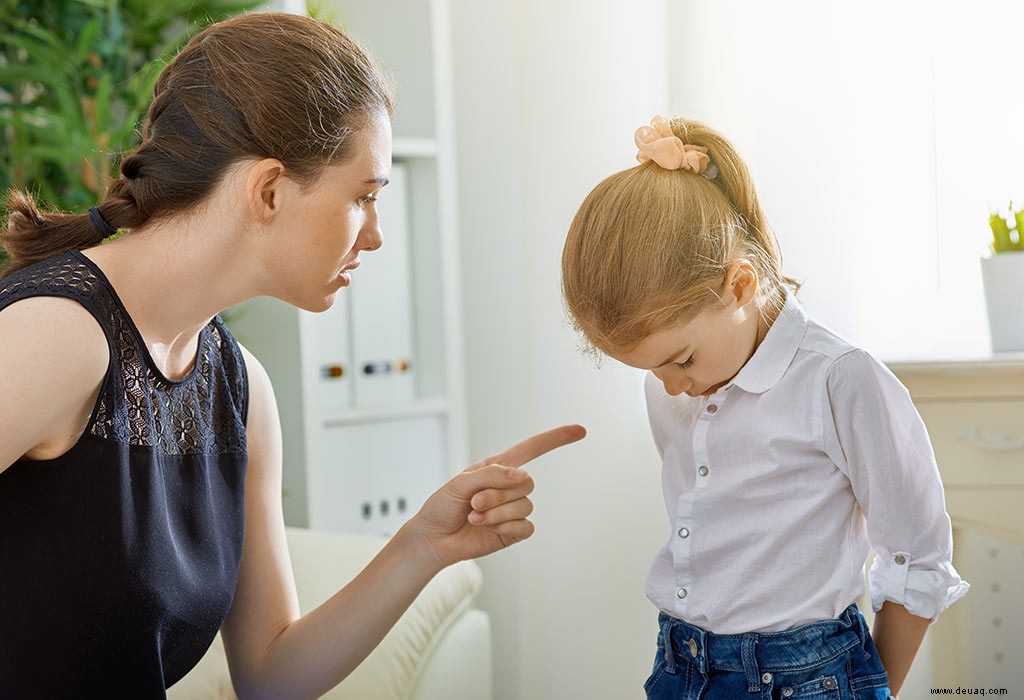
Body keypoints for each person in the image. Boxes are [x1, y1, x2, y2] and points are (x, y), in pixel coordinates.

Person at [0, 12, 585, 698]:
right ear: (269, 190)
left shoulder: (241, 391)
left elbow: (271, 675)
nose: (376, 236)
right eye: (364, 197)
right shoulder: (59, 335)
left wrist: (422, 546)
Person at [561, 115, 967, 700]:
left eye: (681, 360)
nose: (672, 387)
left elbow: (918, 557)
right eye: (651, 371)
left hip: (806, 677)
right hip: (680, 663)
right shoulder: (674, 389)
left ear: (741, 285)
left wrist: (871, 688)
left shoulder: (839, 379)